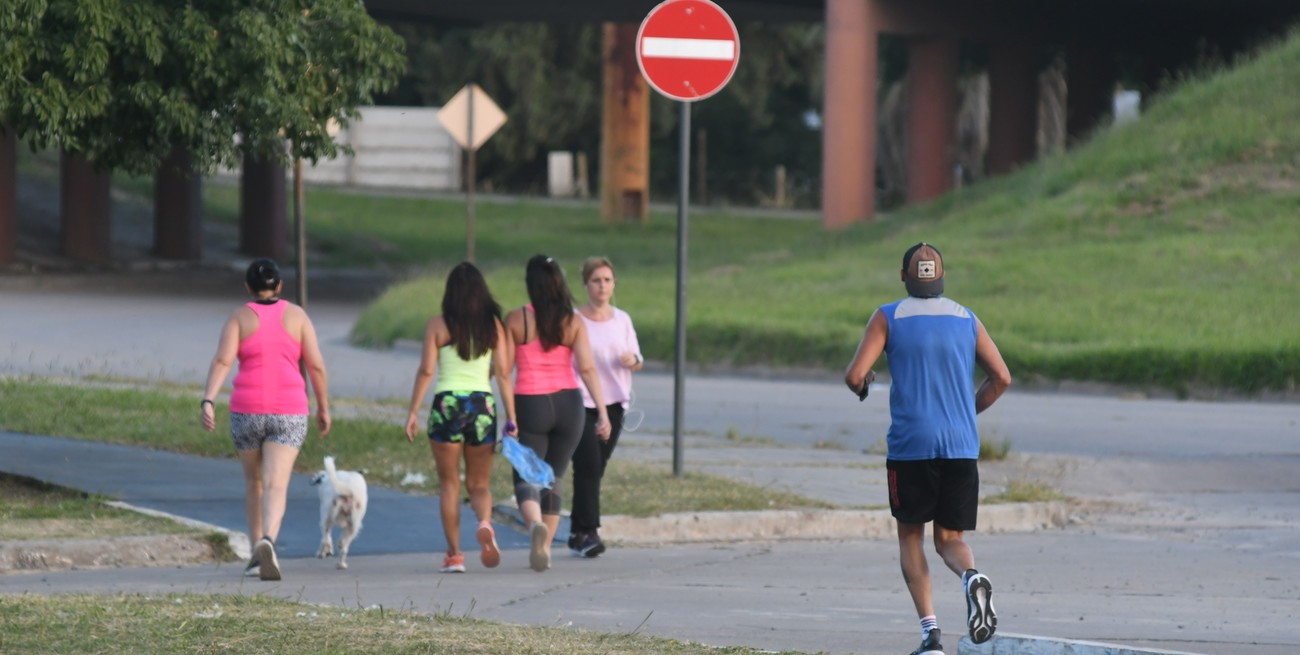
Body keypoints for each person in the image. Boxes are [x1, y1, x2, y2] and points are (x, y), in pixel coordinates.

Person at [843, 243, 1011, 655]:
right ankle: (971, 578)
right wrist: (965, 411)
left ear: (903, 277)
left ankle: (930, 636)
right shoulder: (967, 318)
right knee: (950, 538)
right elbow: (1001, 377)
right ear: (941, 277)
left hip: (910, 447)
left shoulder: (888, 316)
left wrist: (865, 387)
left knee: (911, 538)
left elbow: (854, 375)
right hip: (960, 445)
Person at [201, 258, 331, 581]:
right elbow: (315, 366)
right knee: (276, 484)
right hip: (289, 410)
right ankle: (268, 540)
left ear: (248, 288)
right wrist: (324, 407)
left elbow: (222, 359)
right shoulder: (298, 316)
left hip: (246, 410)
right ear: (280, 287)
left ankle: (256, 553)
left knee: (253, 481)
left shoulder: (239, 317)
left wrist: (208, 399)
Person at [404, 262, 517, 574]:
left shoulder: (438, 325)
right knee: (479, 485)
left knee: (449, 485)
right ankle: (484, 522)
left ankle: (454, 555)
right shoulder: (494, 327)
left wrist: (413, 411)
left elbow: (427, 370)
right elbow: (505, 375)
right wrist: (512, 417)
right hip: (482, 406)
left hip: (447, 406)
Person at [505, 254, 611, 572]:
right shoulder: (573, 320)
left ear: (529, 284)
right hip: (570, 405)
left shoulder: (516, 320)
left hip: (531, 402)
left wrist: (507, 414)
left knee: (526, 473)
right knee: (555, 477)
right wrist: (603, 413)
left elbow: (503, 370)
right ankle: (546, 548)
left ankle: (535, 524)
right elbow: (588, 368)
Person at [568, 256, 642, 558]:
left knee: (596, 466)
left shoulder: (622, 319)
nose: (602, 286)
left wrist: (632, 361)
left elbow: (638, 359)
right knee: (588, 464)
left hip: (614, 402)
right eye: (596, 280)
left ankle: (576, 532)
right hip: (579, 401)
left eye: (607, 280)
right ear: (586, 284)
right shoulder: (574, 319)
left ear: (614, 285)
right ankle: (589, 532)